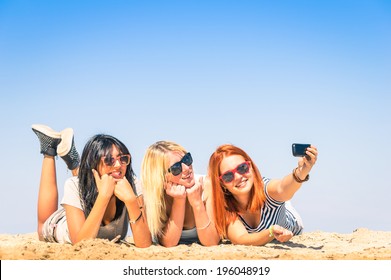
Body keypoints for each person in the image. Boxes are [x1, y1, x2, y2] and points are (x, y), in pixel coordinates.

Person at [32, 124, 151, 247]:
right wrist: (104, 196)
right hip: (61, 223)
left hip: (82, 203)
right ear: (94, 163)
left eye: (123, 159)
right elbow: (81, 244)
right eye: (109, 160)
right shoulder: (74, 185)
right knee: (42, 229)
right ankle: (49, 150)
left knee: (86, 181)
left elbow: (145, 243)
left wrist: (131, 201)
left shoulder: (133, 184)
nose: (118, 165)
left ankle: (74, 163)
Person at [208, 144, 318, 246]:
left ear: (250, 166)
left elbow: (282, 189)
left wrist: (301, 172)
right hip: (272, 220)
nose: (238, 177)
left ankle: (283, 204)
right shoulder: (226, 207)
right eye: (228, 176)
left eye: (242, 168)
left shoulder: (267, 189)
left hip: (289, 218)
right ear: (222, 183)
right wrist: (271, 232)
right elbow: (241, 238)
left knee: (282, 197)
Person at [141, 141, 219, 247]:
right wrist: (179, 200)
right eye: (176, 168)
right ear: (160, 176)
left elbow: (211, 242)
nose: (187, 168)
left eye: (187, 160)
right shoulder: (154, 199)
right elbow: (169, 243)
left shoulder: (206, 185)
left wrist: (197, 204)